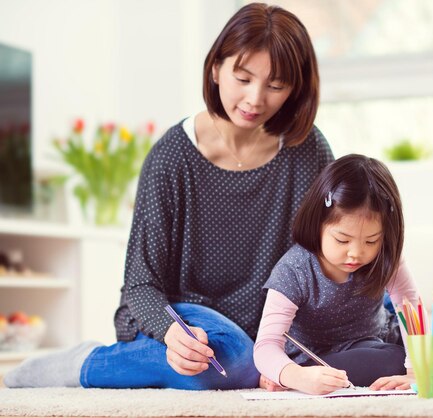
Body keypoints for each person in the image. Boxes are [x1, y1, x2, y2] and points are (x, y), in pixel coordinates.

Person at [4, 2, 333, 390]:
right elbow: (141, 284)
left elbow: (332, 250)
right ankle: (87, 364)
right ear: (215, 69)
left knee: (362, 348)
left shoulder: (307, 150)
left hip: (271, 322)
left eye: (275, 86)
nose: (255, 99)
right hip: (188, 315)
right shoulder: (172, 158)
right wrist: (171, 334)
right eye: (242, 78)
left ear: (294, 89)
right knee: (235, 361)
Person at [253, 154, 433, 395]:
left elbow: (410, 312)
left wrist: (415, 373)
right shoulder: (295, 269)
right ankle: (285, 376)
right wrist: (294, 375)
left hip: (378, 339)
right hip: (320, 355)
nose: (356, 253)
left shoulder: (386, 257)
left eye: (371, 241)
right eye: (342, 239)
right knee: (400, 360)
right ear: (317, 223)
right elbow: (266, 345)